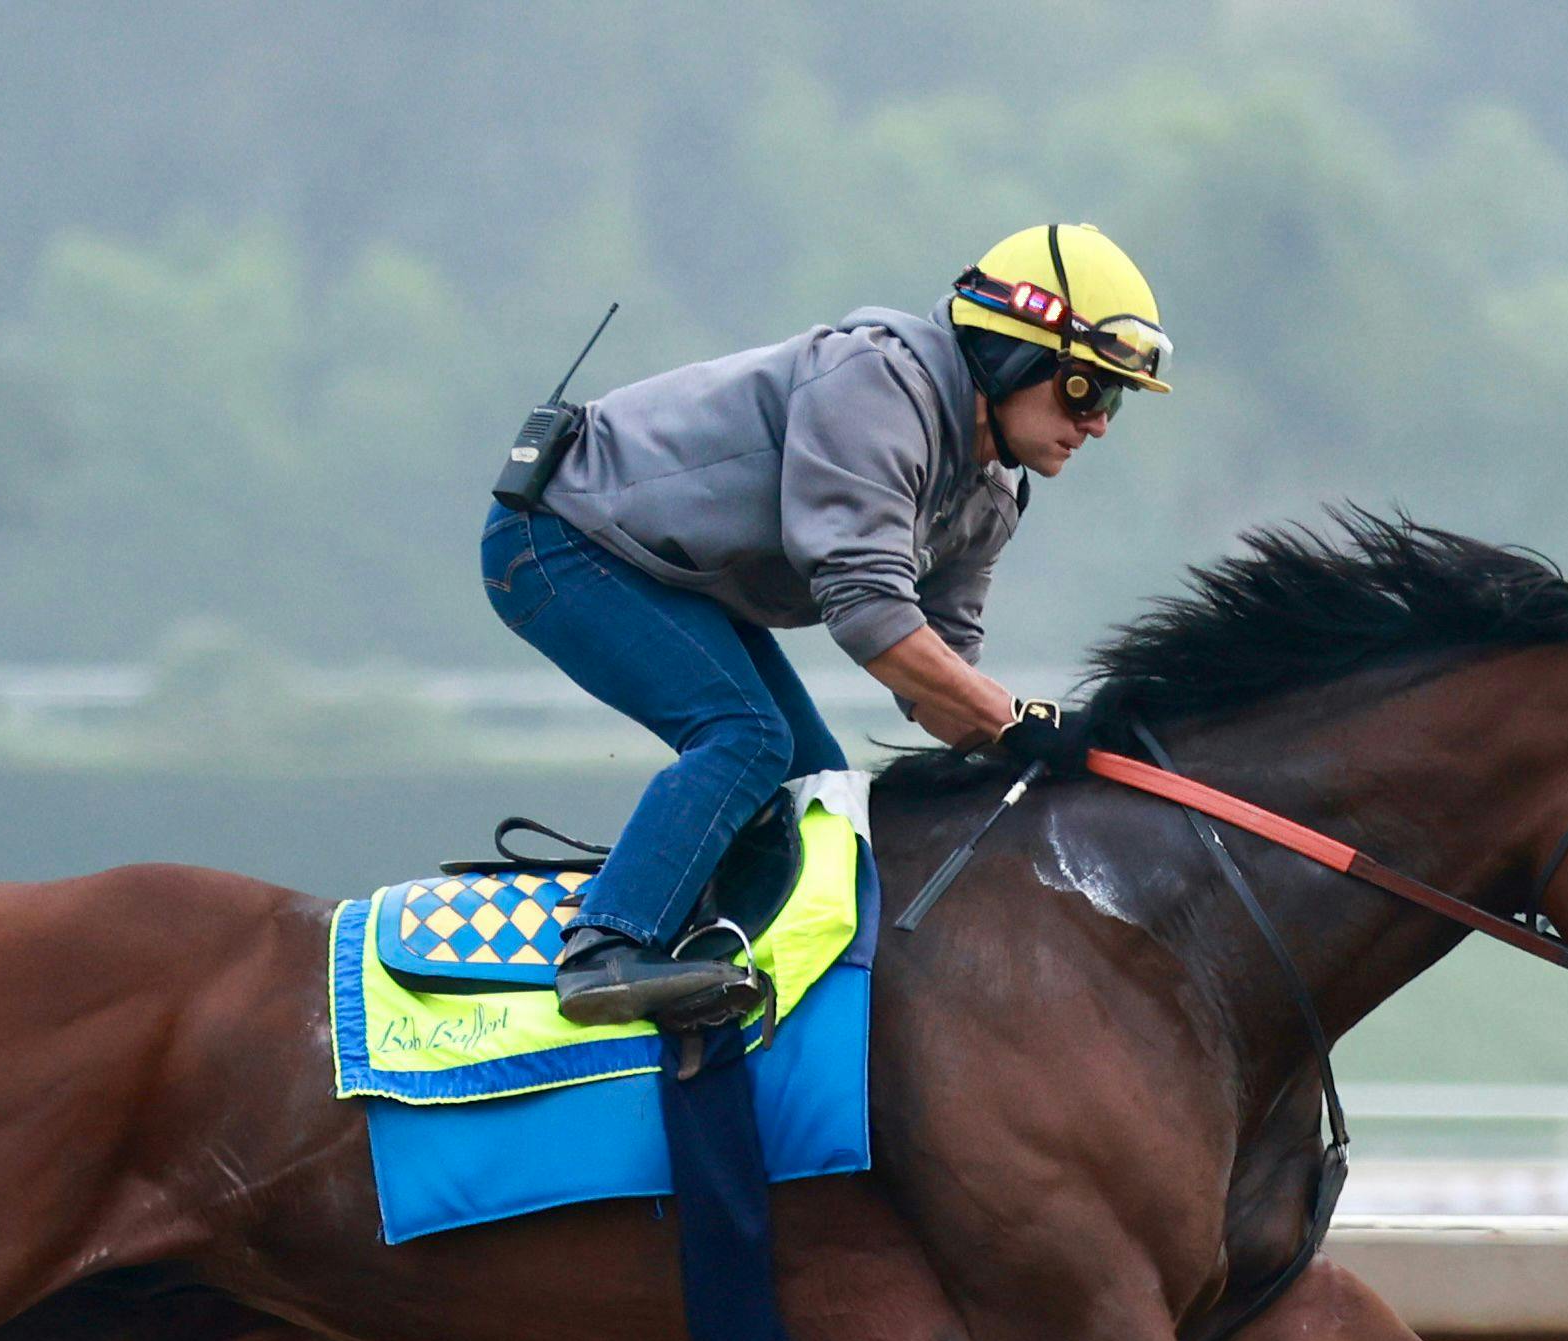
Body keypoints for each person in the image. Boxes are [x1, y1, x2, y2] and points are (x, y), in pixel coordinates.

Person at [480, 223, 1172, 1024]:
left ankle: (717, 955)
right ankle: (606, 950)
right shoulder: (875, 385)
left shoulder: (991, 493)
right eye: (1086, 389)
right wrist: (1014, 722)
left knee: (817, 785)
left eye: (1112, 398)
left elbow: (939, 682)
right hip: (554, 541)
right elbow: (870, 615)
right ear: (1013, 356)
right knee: (747, 736)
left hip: (665, 573)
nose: (1098, 424)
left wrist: (1065, 756)